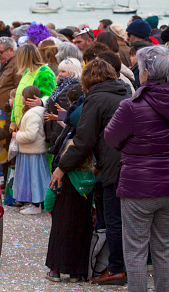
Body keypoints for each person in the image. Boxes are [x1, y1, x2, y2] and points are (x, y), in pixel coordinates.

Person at [50, 58, 129, 286]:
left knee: (113, 219)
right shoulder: (123, 93)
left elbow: (84, 140)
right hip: (129, 161)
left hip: (113, 166)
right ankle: (130, 266)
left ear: (88, 79)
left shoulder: (96, 98)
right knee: (128, 220)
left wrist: (62, 168)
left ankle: (116, 269)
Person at [105, 45, 169, 291]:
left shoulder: (132, 106)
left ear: (145, 73)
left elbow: (111, 139)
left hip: (138, 186)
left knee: (135, 250)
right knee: (163, 248)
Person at [44, 83, 94, 283]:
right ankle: (76, 272)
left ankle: (55, 270)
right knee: (82, 230)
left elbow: (50, 194)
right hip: (82, 201)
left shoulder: (60, 174)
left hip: (64, 200)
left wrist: (48, 207)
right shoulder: (89, 179)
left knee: (59, 231)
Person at [12, 86, 51, 215]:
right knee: (35, 178)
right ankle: (35, 203)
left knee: (33, 179)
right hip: (31, 151)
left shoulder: (33, 114)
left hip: (32, 152)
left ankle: (36, 204)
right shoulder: (36, 112)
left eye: (22, 96)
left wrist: (16, 136)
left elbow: (30, 135)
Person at [11, 44, 57, 131]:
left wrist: (41, 102)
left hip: (34, 126)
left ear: (25, 58)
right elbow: (18, 96)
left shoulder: (44, 72)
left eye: (19, 57)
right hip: (23, 124)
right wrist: (13, 120)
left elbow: (52, 96)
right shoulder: (27, 71)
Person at [43, 58, 81, 149]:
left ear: (72, 72)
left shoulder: (70, 89)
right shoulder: (62, 86)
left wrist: (55, 136)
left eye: (63, 71)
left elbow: (63, 115)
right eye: (59, 71)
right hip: (57, 132)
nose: (59, 74)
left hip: (60, 134)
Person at [0, 37, 22, 113]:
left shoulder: (17, 65)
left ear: (11, 50)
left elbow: (19, 89)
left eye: (0, 52)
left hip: (9, 111)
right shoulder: (0, 65)